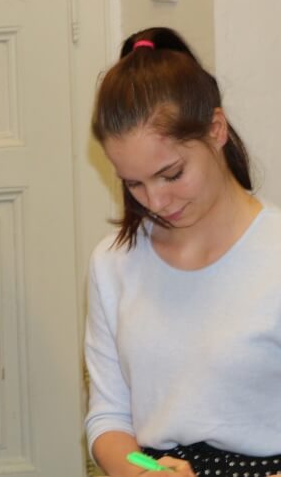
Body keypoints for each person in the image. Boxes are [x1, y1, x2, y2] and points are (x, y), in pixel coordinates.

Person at [85, 27, 281, 477]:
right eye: (134, 184)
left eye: (171, 174)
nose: (155, 201)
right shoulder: (112, 263)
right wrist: (141, 470)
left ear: (216, 130)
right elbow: (109, 418)